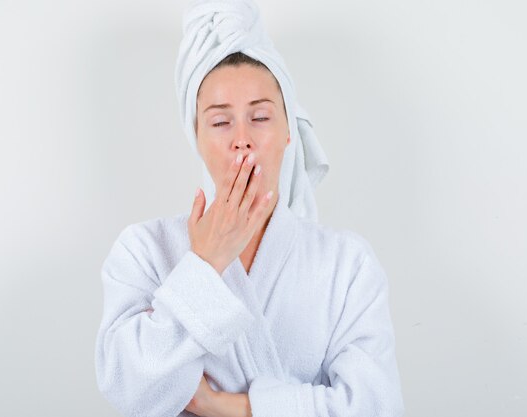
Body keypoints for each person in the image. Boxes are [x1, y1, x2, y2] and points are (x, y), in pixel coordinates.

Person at [95, 2, 404, 417]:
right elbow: (128, 389)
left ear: (289, 132)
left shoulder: (347, 264)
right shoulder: (143, 251)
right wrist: (206, 262)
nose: (242, 139)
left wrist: (228, 407)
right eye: (221, 122)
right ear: (197, 136)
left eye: (260, 117)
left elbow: (376, 407)